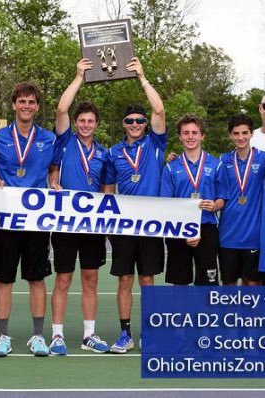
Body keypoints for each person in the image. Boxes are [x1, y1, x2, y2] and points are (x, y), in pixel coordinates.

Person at [103, 57, 166, 353]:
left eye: (140, 121)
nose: (136, 124)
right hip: (124, 224)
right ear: (123, 125)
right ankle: (125, 334)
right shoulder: (114, 152)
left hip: (151, 223)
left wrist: (142, 76)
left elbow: (159, 109)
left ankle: (150, 333)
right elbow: (107, 191)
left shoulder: (155, 144)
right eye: (130, 121)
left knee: (147, 278)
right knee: (125, 279)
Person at [0, 82, 55, 357]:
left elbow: (53, 169)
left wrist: (54, 183)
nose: (26, 106)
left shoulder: (49, 138)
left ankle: (37, 336)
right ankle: (3, 336)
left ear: (37, 107)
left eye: (31, 102)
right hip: (6, 219)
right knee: (4, 279)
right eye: (22, 101)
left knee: (36, 278)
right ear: (14, 104)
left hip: (37, 219)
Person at [49, 59, 109, 355]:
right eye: (81, 120)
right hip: (64, 221)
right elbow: (61, 109)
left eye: (90, 121)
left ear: (96, 125)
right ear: (75, 124)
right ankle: (57, 335)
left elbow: (107, 191)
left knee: (90, 278)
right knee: (63, 277)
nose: (85, 125)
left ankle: (89, 334)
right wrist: (78, 77)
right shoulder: (65, 142)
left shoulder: (104, 154)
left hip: (92, 225)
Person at [160, 114, 229, 286]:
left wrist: (214, 206)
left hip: (207, 228)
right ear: (180, 136)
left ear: (202, 135)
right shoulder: (170, 168)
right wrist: (185, 232)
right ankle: (182, 314)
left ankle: (203, 314)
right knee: (180, 284)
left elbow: (222, 198)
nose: (190, 137)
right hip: (178, 229)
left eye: (194, 132)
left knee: (207, 284)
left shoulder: (216, 164)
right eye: (186, 133)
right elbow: (166, 204)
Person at [219, 114, 265, 285]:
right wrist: (174, 158)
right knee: (229, 287)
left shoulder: (262, 159)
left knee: (252, 286)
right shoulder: (222, 161)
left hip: (253, 237)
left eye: (245, 133)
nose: (241, 137)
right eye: (236, 133)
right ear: (230, 135)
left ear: (252, 134)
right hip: (227, 236)